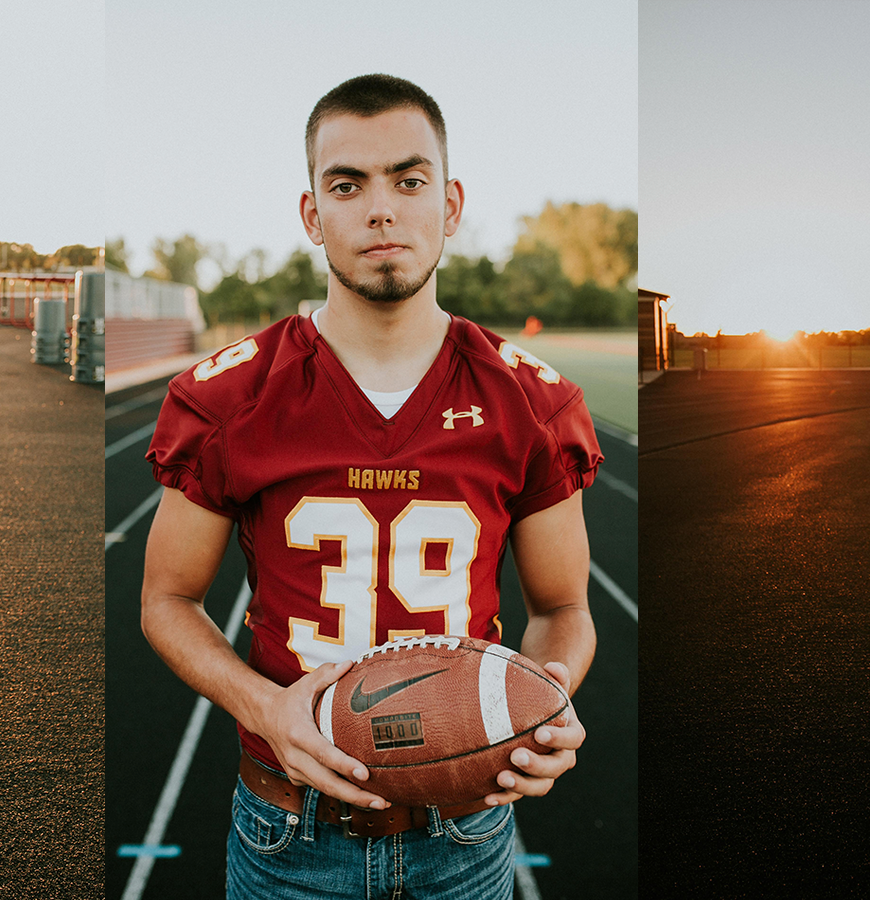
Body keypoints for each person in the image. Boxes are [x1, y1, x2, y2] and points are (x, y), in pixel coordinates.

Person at [141, 74, 601, 899]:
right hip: (289, 830)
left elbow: (565, 611)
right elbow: (166, 600)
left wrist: (547, 700)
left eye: (409, 180)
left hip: (466, 829)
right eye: (347, 185)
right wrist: (264, 709)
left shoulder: (531, 401)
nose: (381, 209)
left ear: (450, 205)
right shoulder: (227, 396)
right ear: (313, 215)